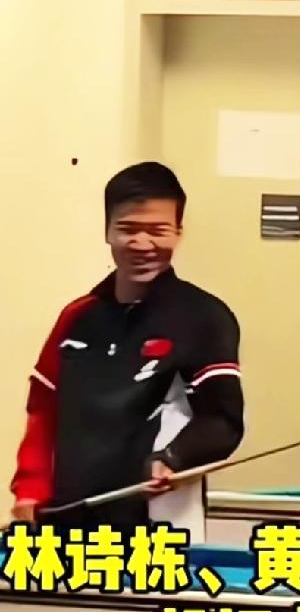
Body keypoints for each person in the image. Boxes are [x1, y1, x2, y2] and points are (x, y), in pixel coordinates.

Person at [9, 162, 244, 542]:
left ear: (178, 232)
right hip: (65, 521)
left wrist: (173, 458)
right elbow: (43, 410)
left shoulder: (204, 317)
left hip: (156, 529)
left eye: (158, 231)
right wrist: (30, 489)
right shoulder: (76, 317)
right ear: (108, 231)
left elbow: (222, 422)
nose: (142, 244)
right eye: (128, 229)